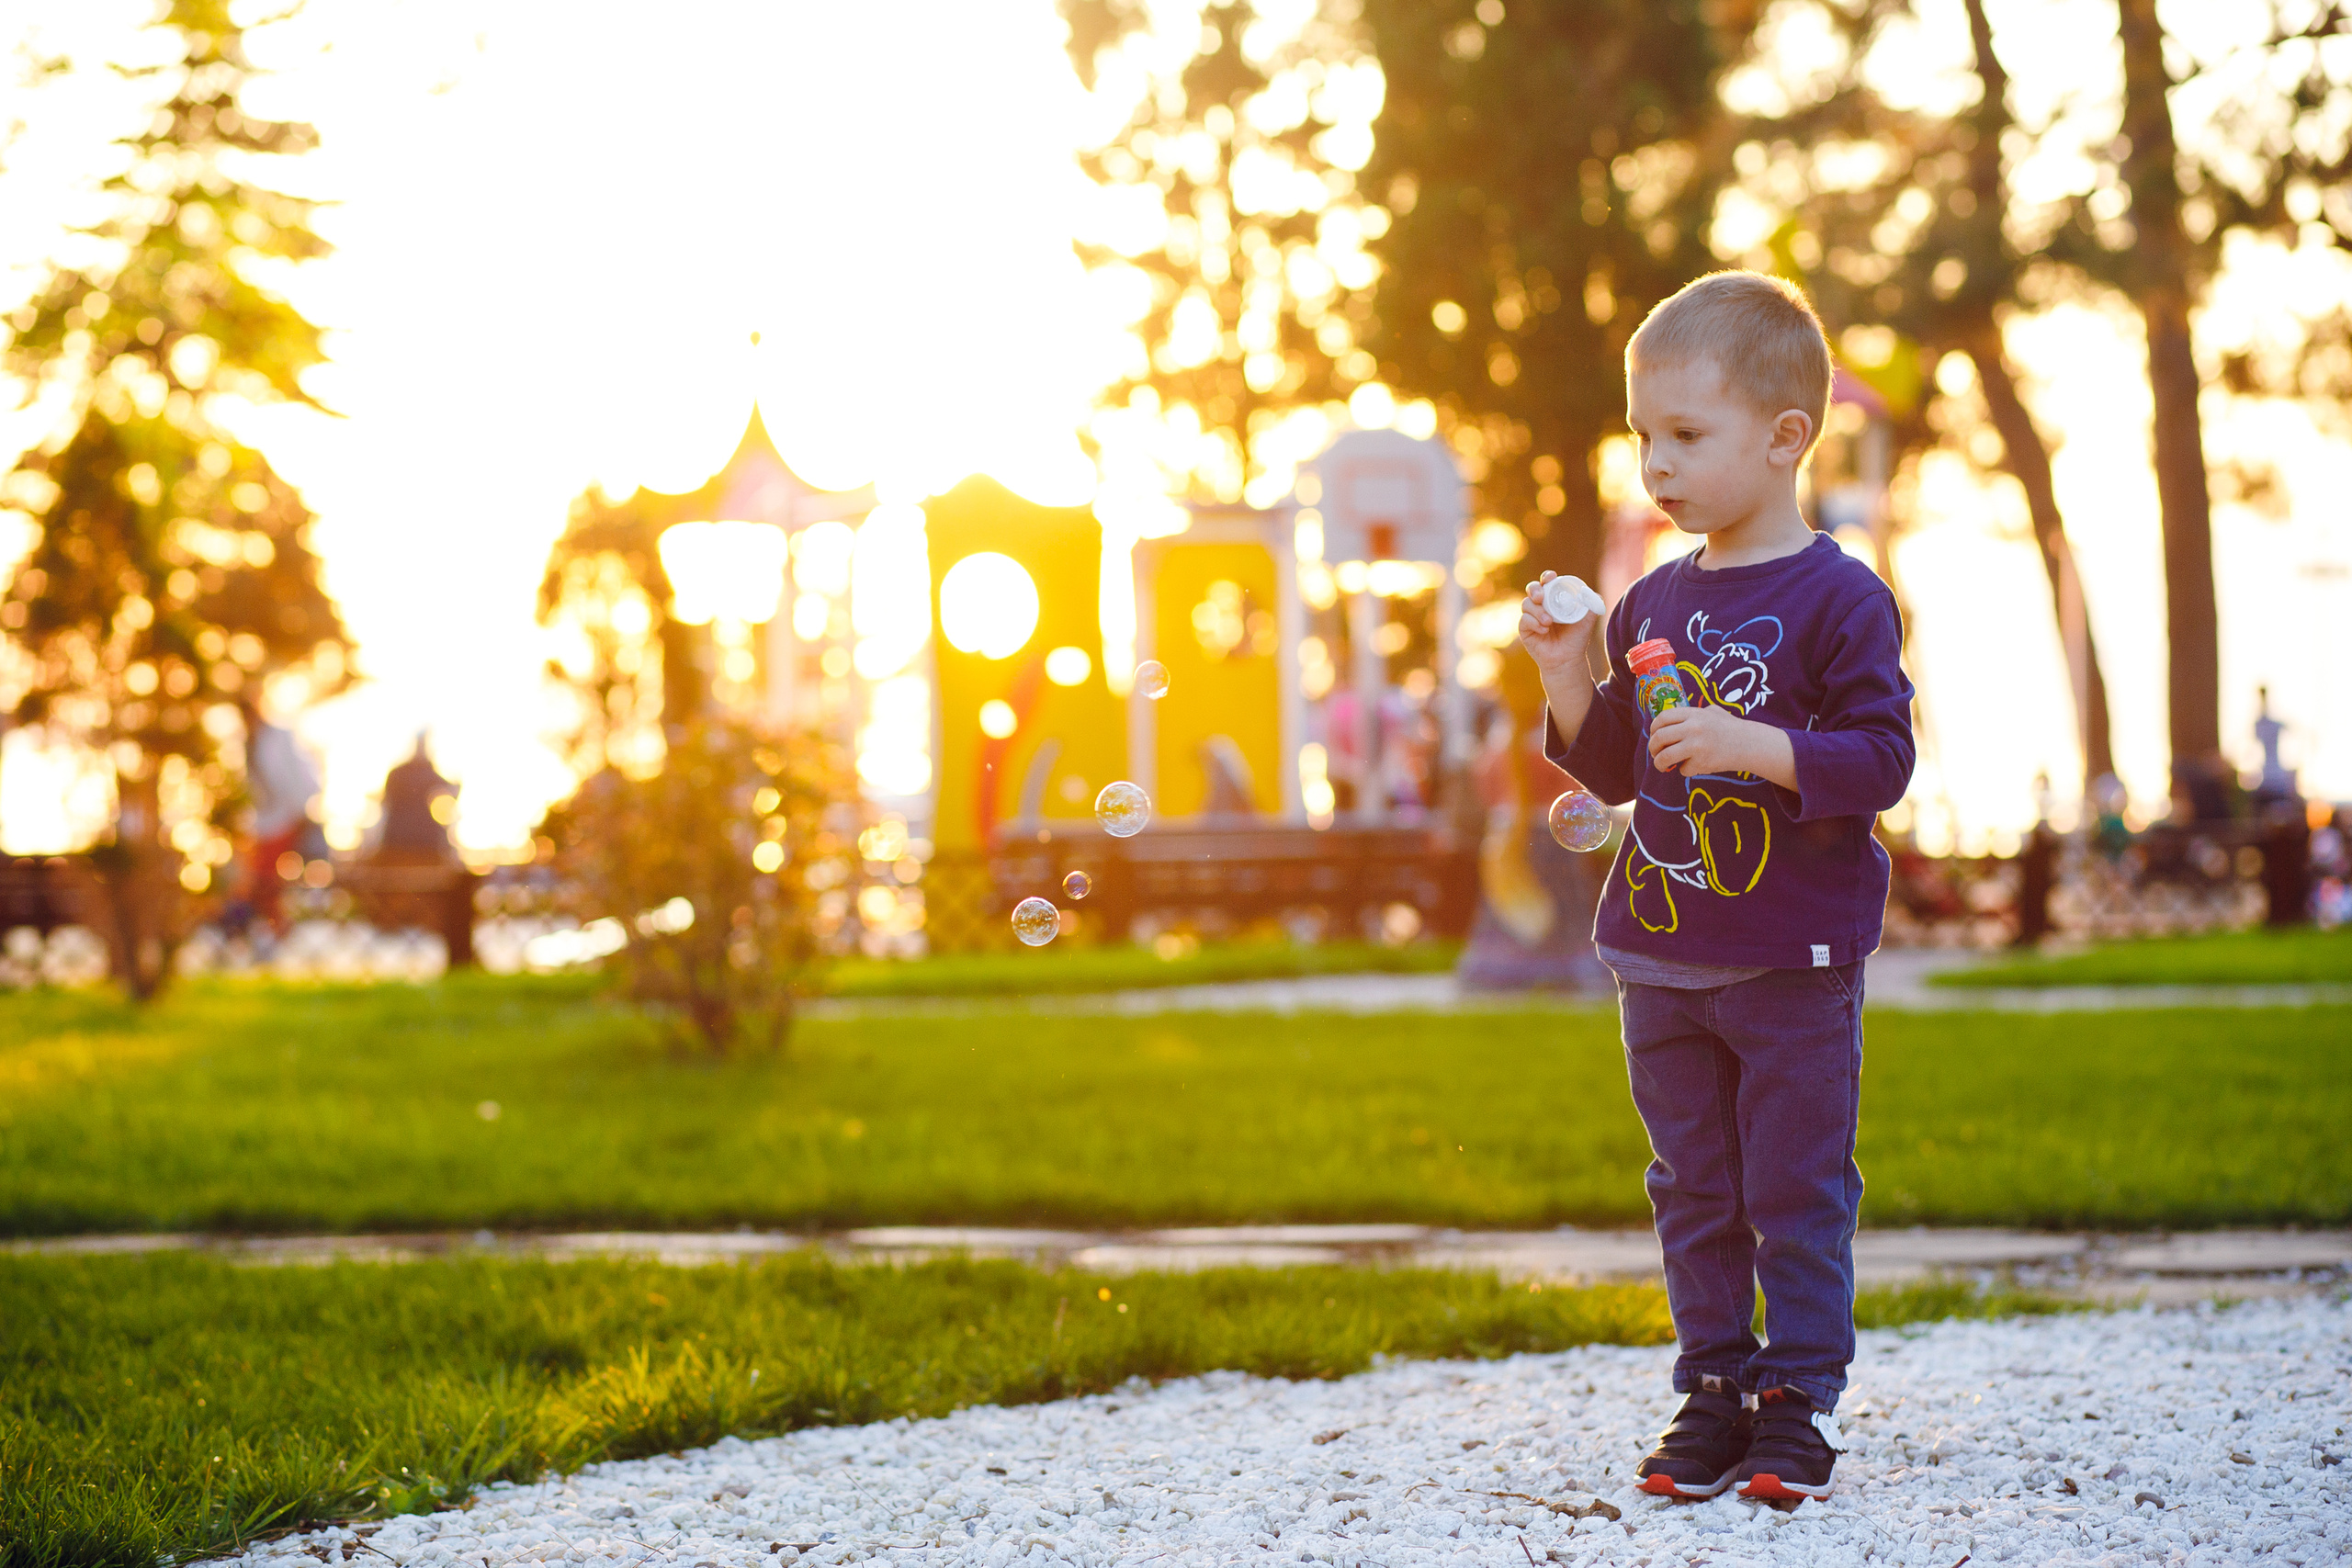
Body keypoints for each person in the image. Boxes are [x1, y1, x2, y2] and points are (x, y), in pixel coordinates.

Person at [1517, 271, 1915, 1504]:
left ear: (1786, 437)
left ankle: (1797, 1399)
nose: (1657, 462)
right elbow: (1609, 762)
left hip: (1793, 961)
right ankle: (1713, 1386)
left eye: (1686, 435)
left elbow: (1884, 760)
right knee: (1693, 1187)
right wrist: (1567, 664)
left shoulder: (1838, 597)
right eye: (1645, 436)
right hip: (1662, 954)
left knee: (1793, 1187)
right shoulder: (1654, 600)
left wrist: (1760, 749)